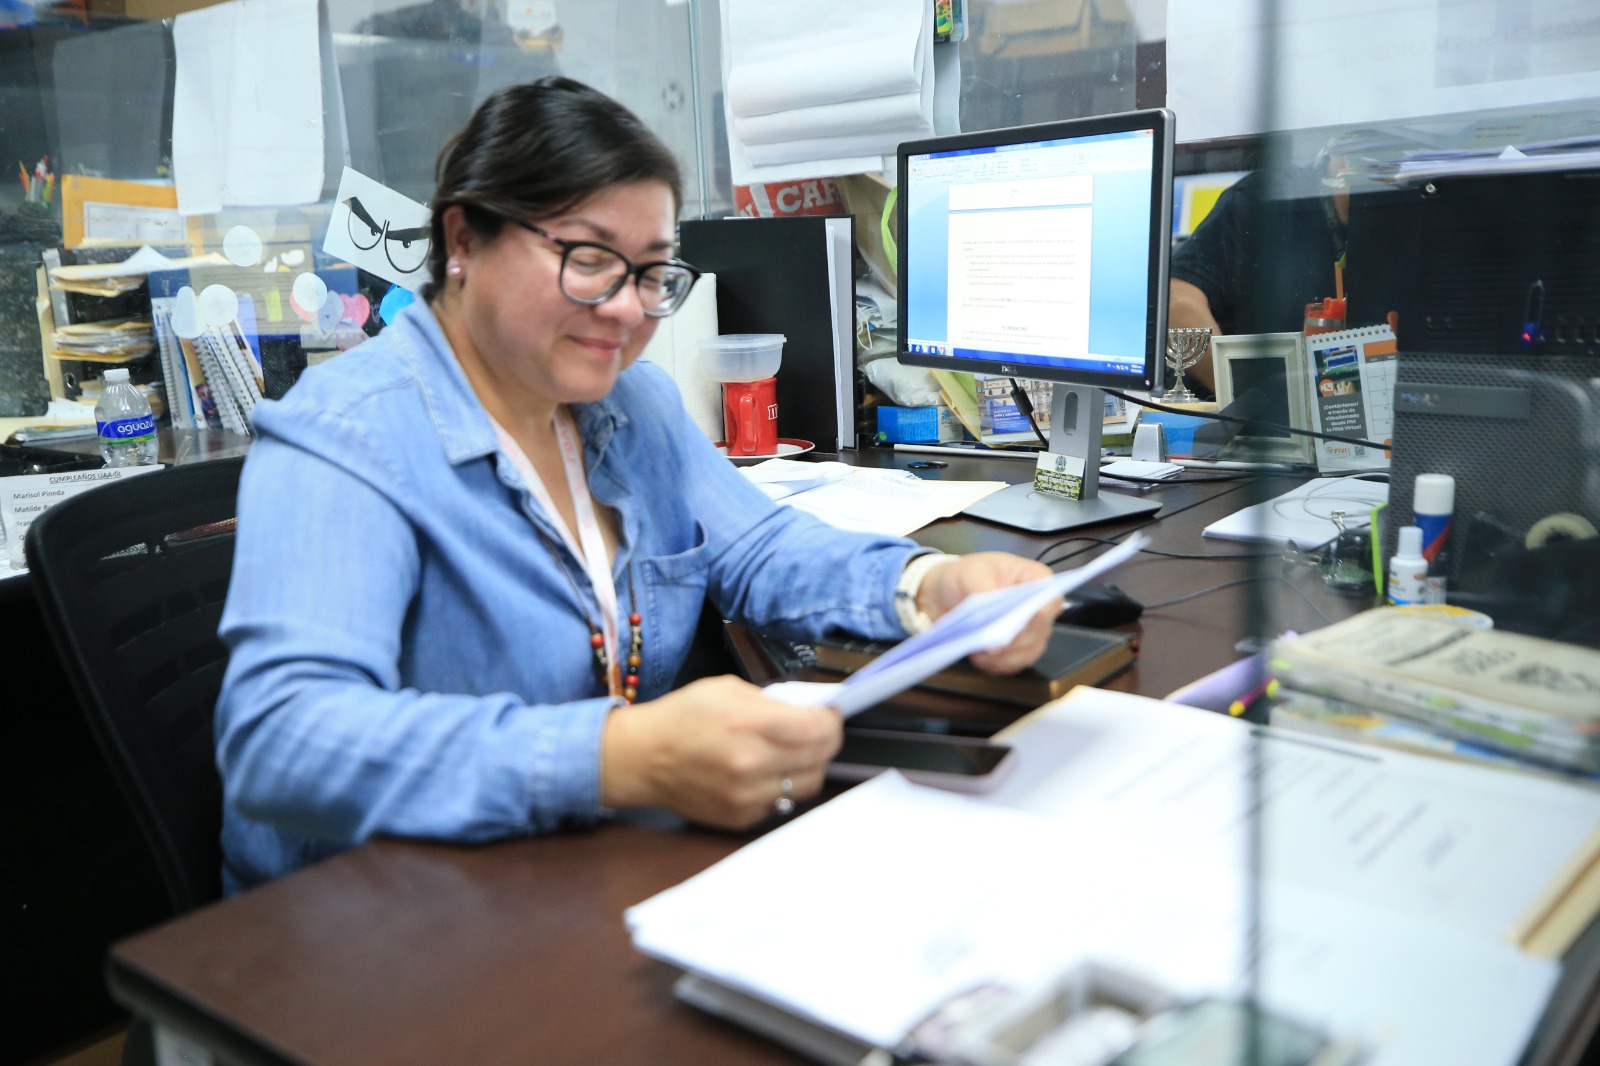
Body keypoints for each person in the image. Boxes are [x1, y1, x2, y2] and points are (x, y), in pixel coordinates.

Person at [214, 77, 1060, 893]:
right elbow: (283, 740)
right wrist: (618, 758)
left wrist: (925, 586)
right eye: (589, 260)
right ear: (464, 241)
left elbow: (762, 548)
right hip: (380, 911)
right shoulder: (348, 435)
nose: (627, 309)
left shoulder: (631, 401)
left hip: (577, 867)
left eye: (652, 274)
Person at [1168, 154, 1351, 397]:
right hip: (1242, 409)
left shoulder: (1396, 217)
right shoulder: (1264, 200)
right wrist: (1246, 401)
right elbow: (1176, 306)